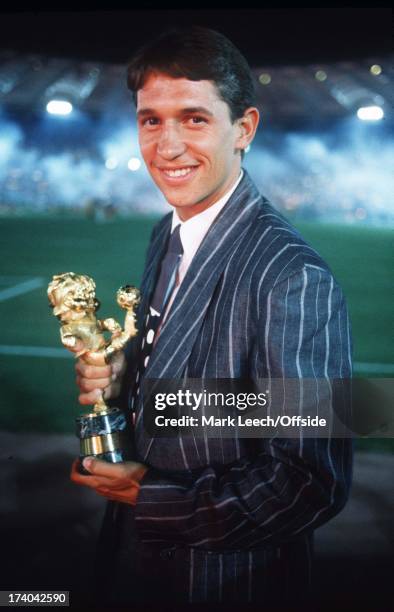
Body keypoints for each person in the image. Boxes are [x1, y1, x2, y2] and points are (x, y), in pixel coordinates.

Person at [69, 26, 353, 606]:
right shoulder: (165, 232)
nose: (167, 146)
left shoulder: (292, 277)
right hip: (135, 562)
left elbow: (310, 483)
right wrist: (125, 380)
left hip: (228, 583)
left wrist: (147, 496)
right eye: (151, 120)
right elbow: (231, 398)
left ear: (244, 128)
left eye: (194, 119)